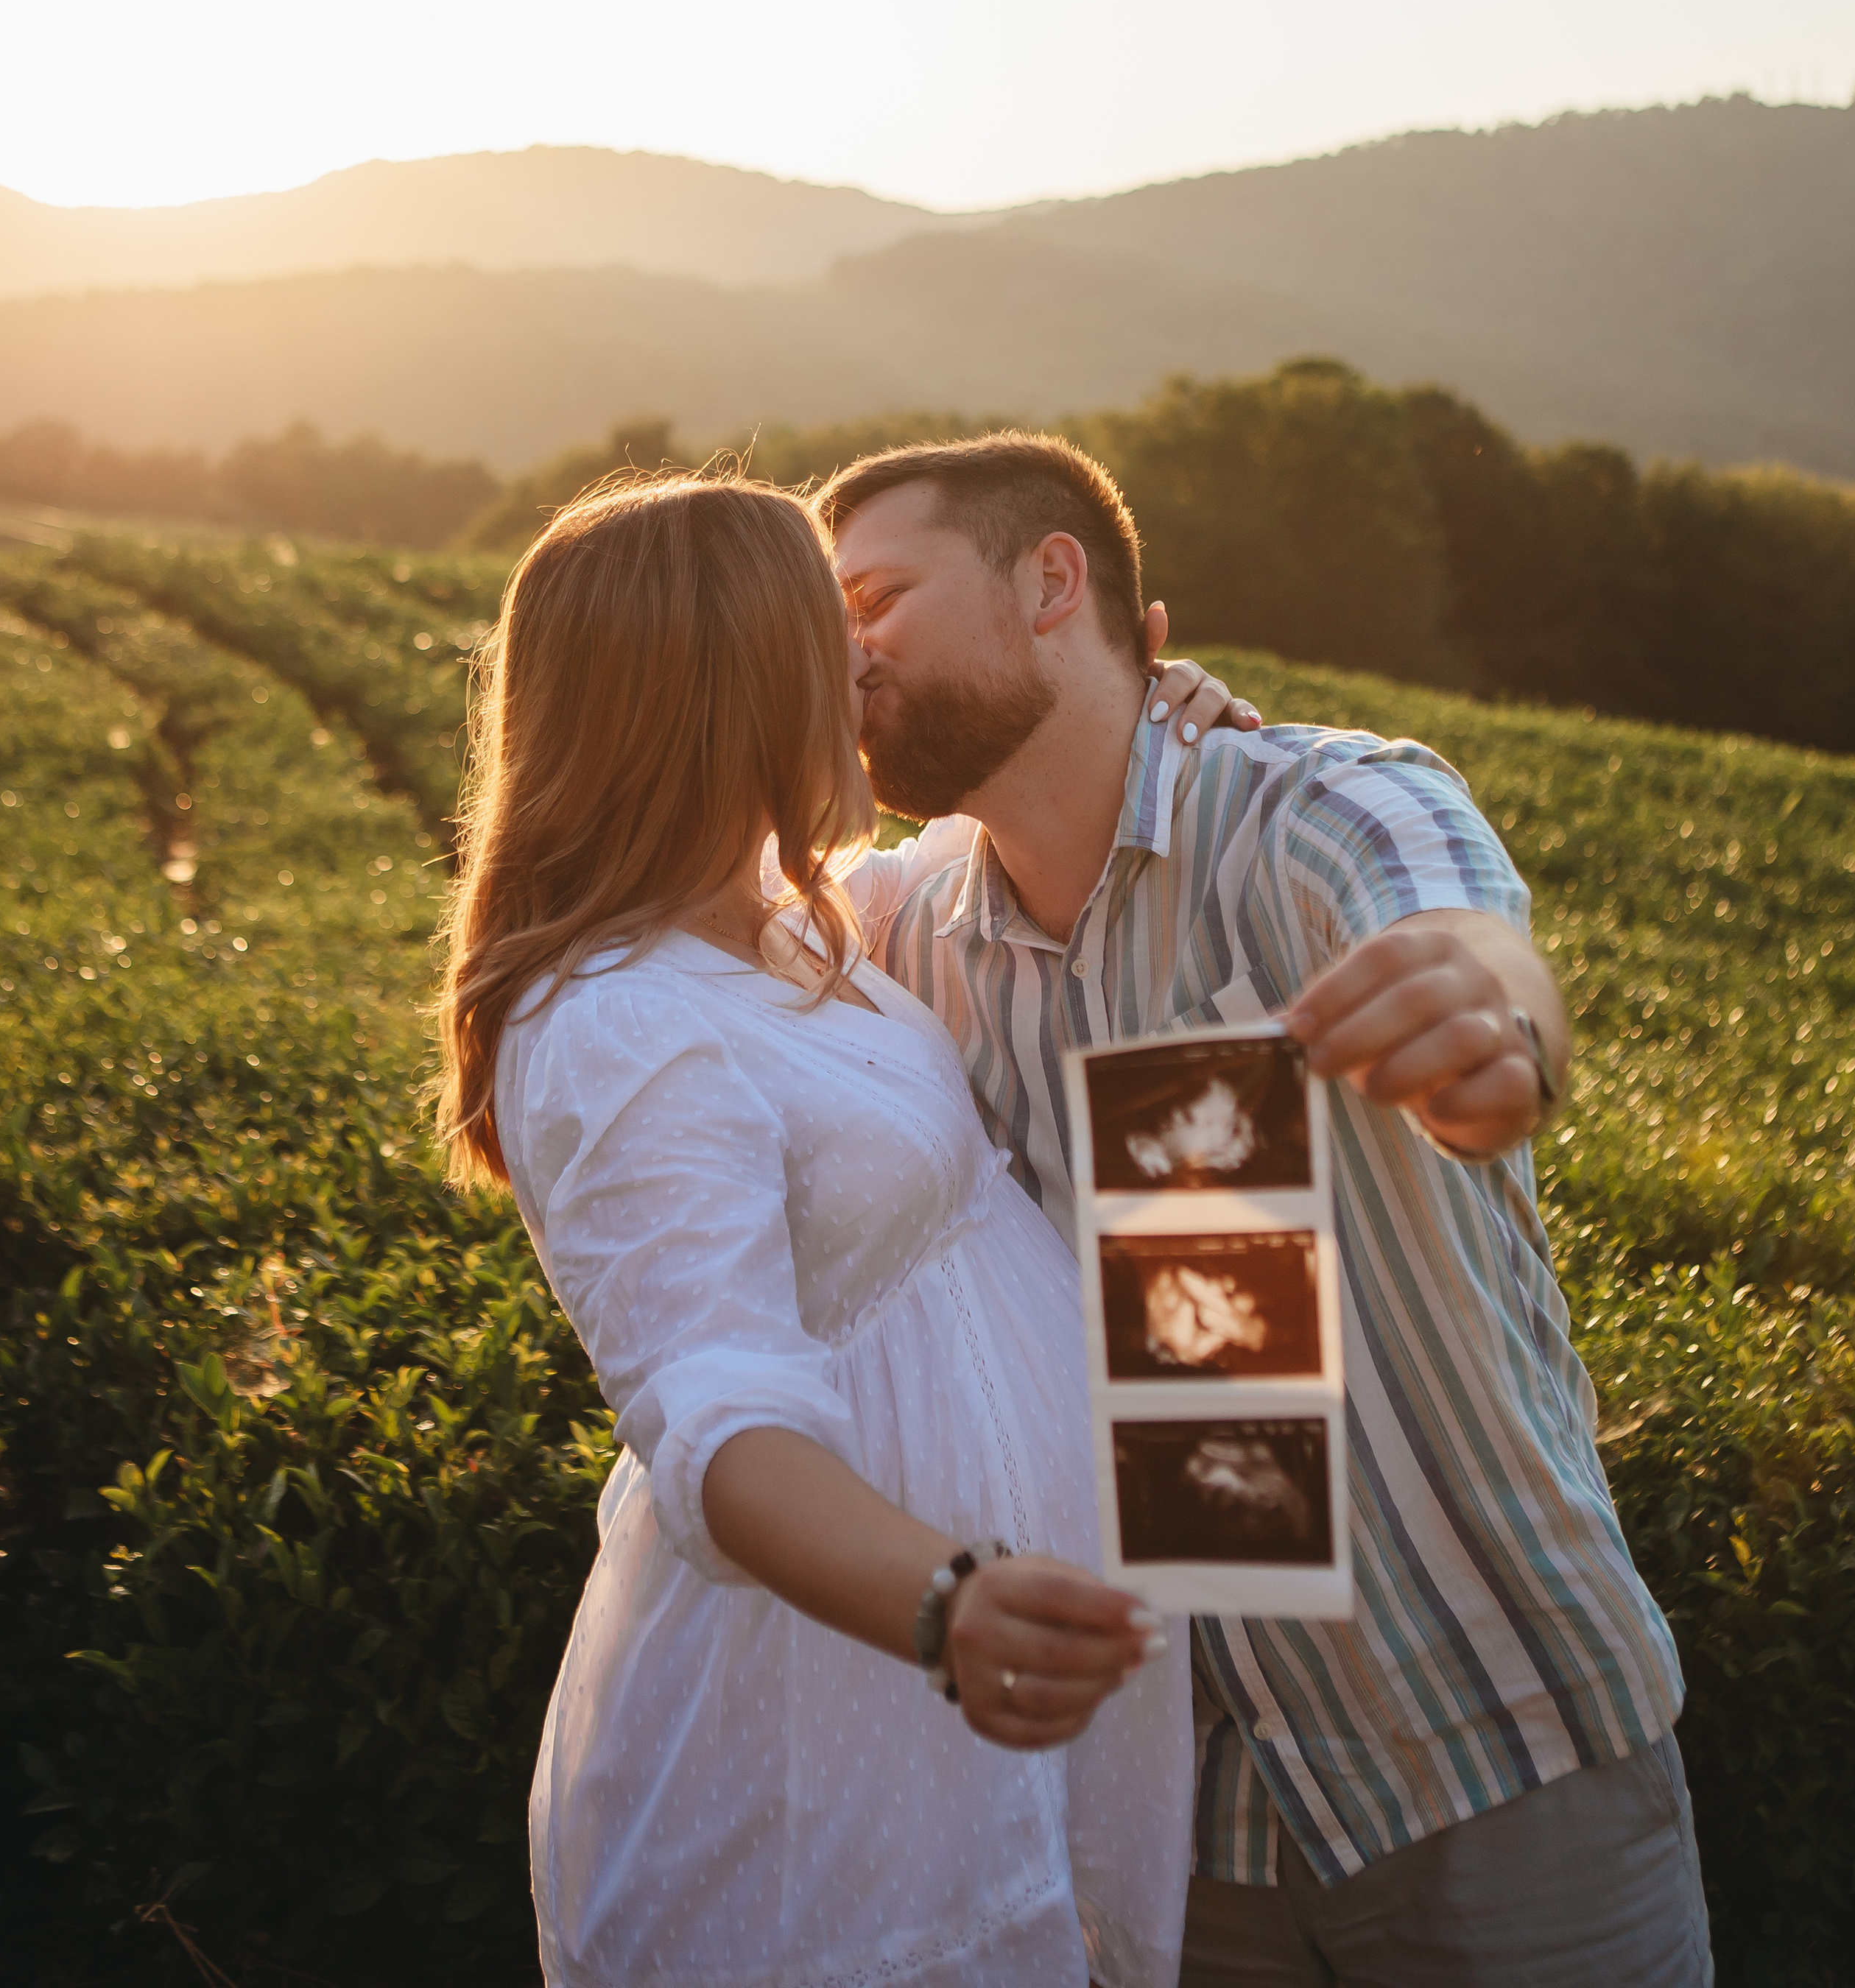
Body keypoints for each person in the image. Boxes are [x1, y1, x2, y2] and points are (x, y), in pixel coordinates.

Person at [817, 431, 1713, 1988]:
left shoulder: (1319, 807)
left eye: (876, 600)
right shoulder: (904, 929)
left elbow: (1466, 944)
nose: (845, 654)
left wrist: (1490, 1023)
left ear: (1050, 583)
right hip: (1181, 1825)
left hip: (1496, 1759)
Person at [434, 471, 1195, 1988]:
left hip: (949, 1732)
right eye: (821, 627)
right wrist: (948, 1600)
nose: (861, 664)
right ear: (720, 685)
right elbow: (723, 1427)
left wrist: (1163, 713)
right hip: (815, 1746)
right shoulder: (619, 1020)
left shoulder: (796, 920)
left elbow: (1030, 809)